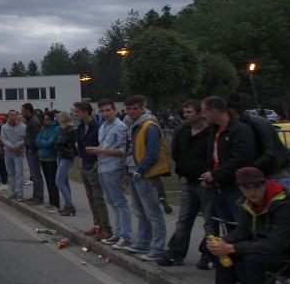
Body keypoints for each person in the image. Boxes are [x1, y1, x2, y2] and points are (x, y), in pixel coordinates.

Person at [160, 100, 215, 268]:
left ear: (200, 113)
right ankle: (175, 253)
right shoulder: (181, 131)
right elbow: (177, 154)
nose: (185, 115)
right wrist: (182, 174)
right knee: (184, 219)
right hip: (187, 181)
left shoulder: (211, 133)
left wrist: (211, 177)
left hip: (206, 182)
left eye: (189, 112)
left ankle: (208, 255)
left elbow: (213, 156)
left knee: (210, 221)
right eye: (184, 112)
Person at [200, 96, 256, 233]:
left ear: (214, 111)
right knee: (228, 226)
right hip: (218, 187)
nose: (202, 115)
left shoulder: (239, 130)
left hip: (235, 187)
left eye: (204, 111)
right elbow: (212, 156)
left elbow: (240, 159)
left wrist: (215, 174)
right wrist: (209, 176)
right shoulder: (214, 131)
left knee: (241, 226)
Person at [123, 96, 169, 261]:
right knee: (140, 211)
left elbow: (153, 152)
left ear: (142, 108)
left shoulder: (149, 126)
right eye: (128, 109)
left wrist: (141, 169)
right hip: (133, 171)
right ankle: (144, 242)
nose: (131, 112)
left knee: (153, 212)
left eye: (134, 108)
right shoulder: (133, 125)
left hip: (145, 174)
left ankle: (158, 248)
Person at [88, 99, 133, 249]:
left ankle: (126, 235)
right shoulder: (103, 126)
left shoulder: (120, 127)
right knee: (112, 201)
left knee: (120, 202)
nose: (105, 113)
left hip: (114, 168)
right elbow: (105, 145)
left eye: (108, 110)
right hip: (103, 167)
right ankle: (118, 233)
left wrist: (100, 151)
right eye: (102, 111)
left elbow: (122, 151)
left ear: (114, 110)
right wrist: (98, 153)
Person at [75, 102, 111, 239]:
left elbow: (103, 145)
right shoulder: (80, 127)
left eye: (78, 111)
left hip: (95, 165)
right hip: (85, 165)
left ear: (85, 111)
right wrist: (80, 161)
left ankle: (106, 227)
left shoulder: (97, 126)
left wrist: (97, 163)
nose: (76, 114)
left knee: (98, 198)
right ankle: (97, 225)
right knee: (90, 197)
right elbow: (80, 145)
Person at [35, 111, 61, 211]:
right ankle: (51, 202)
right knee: (47, 181)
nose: (46, 121)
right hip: (42, 158)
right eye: (45, 119)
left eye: (48, 119)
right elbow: (37, 141)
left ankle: (56, 203)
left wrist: (42, 143)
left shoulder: (56, 129)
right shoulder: (43, 129)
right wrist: (43, 143)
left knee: (52, 181)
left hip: (51, 158)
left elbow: (50, 143)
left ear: (52, 119)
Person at [54, 111, 78, 216]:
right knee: (64, 181)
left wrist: (59, 144)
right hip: (62, 155)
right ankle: (68, 204)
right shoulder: (65, 129)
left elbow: (61, 143)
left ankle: (70, 205)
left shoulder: (71, 130)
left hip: (66, 157)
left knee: (59, 181)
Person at [0, 110, 26, 200]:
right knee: (11, 173)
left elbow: (25, 138)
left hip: (19, 152)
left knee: (19, 173)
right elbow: (4, 139)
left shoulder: (23, 127)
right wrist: (11, 146)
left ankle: (20, 193)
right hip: (8, 152)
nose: (13, 116)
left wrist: (18, 145)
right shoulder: (4, 127)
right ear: (8, 116)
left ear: (17, 116)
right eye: (11, 115)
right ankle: (13, 191)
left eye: (15, 115)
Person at [22, 104, 44, 204]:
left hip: (33, 151)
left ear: (28, 111)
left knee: (36, 174)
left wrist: (31, 148)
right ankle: (36, 195)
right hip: (30, 150)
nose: (21, 112)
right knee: (34, 174)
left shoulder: (34, 121)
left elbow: (36, 137)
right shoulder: (29, 120)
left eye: (23, 110)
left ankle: (38, 197)